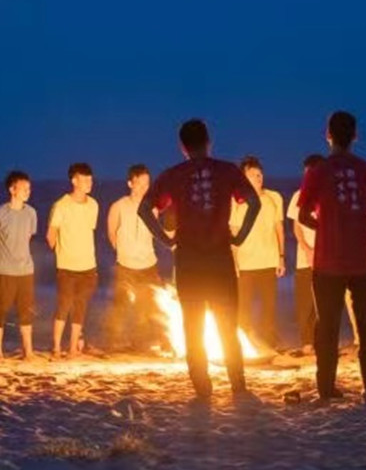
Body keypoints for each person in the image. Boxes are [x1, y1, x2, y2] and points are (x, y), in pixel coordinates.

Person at [139, 119, 260, 401]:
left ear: (182, 147)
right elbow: (254, 202)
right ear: (209, 141)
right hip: (220, 260)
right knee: (227, 326)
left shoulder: (173, 175)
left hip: (189, 262)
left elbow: (144, 209)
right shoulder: (227, 170)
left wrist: (165, 239)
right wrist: (240, 236)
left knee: (193, 327)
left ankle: (203, 389)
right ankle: (238, 386)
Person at [297, 111, 366, 403]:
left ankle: (326, 387)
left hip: (327, 260)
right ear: (355, 136)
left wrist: (325, 226)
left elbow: (303, 215)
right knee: (365, 323)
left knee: (328, 325)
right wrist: (360, 224)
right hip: (360, 258)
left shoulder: (317, 171)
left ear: (328, 135)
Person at [105, 165, 162, 353]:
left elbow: (156, 233)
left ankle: (140, 343)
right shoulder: (119, 206)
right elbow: (111, 233)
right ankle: (112, 342)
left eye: (147, 183)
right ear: (130, 183)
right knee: (120, 305)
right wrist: (124, 252)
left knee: (145, 307)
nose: (144, 187)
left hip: (148, 264)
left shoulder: (153, 207)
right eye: (140, 183)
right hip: (126, 265)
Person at [231, 156, 285, 350]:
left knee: (269, 308)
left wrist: (281, 258)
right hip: (245, 263)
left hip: (269, 261)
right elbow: (233, 232)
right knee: (243, 308)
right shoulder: (236, 201)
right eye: (253, 174)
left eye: (260, 174)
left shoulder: (274, 197)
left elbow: (279, 229)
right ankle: (243, 347)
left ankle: (269, 345)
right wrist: (234, 261)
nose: (259, 177)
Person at [47, 163, 100, 358]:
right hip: (67, 266)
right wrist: (62, 253)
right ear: (74, 181)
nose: (89, 183)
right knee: (64, 306)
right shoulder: (61, 205)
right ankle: (56, 347)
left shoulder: (93, 205)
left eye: (90, 179)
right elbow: (51, 234)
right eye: (84, 180)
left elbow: (88, 230)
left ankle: (72, 348)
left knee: (80, 307)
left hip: (88, 265)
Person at [0, 171, 38, 361]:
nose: (27, 192)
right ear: (12, 189)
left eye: (29, 188)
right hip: (4, 271)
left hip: (26, 270)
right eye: (23, 189)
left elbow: (28, 237)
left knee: (26, 311)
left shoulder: (31, 213)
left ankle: (28, 351)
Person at [287, 155, 325, 355]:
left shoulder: (328, 195)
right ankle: (307, 342)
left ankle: (323, 341)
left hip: (326, 256)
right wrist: (307, 248)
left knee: (324, 302)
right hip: (305, 257)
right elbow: (296, 227)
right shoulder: (298, 196)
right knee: (305, 302)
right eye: (307, 173)